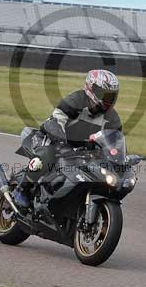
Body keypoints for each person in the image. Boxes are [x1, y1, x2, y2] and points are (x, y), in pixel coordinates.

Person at [12, 69, 122, 208]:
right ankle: (22, 189)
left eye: (111, 96)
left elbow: (116, 141)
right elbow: (55, 122)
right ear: (91, 88)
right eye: (103, 94)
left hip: (81, 151)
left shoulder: (112, 117)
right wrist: (61, 143)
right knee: (47, 155)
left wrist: (120, 157)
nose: (107, 99)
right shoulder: (76, 101)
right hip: (52, 139)